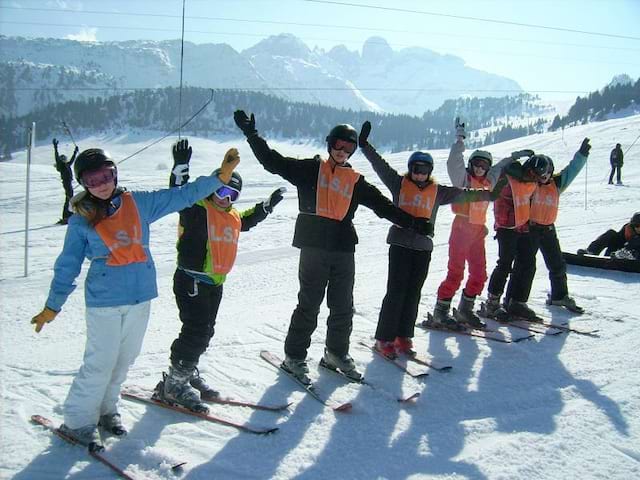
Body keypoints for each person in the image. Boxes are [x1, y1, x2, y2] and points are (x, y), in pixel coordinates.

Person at [30, 146, 239, 451]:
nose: (101, 183)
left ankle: (107, 410)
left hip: (140, 295)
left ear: (114, 173)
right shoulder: (81, 218)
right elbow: (68, 266)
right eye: (92, 179)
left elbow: (182, 195)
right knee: (99, 363)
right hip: (104, 300)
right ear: (83, 183)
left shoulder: (138, 203)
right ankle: (76, 421)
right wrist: (52, 306)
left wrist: (220, 177)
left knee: (124, 360)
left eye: (106, 175)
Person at [233, 110, 431, 384]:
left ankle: (336, 353)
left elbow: (383, 207)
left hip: (343, 248)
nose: (343, 151)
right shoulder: (310, 169)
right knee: (309, 304)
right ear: (330, 145)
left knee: (342, 306)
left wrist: (414, 223)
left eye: (349, 147)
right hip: (314, 247)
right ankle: (295, 357)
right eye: (339, 145)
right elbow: (272, 162)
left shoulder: (355, 181)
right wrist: (251, 134)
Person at [153, 139, 284, 413]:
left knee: (205, 331)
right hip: (192, 279)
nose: (224, 198)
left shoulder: (231, 216)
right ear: (212, 188)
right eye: (221, 191)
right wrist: (180, 168)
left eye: (231, 195)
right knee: (195, 331)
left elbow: (245, 220)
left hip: (214, 282)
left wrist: (266, 207)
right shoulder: (196, 208)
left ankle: (184, 374)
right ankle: (174, 384)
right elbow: (178, 193)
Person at [358, 121, 503, 354]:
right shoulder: (398, 183)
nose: (420, 174)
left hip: (423, 248)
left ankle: (403, 336)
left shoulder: (438, 191)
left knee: (414, 292)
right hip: (400, 244)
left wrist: (488, 194)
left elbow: (464, 194)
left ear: (430, 172)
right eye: (416, 169)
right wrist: (365, 146)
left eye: (424, 170)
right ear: (410, 168)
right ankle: (383, 338)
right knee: (396, 291)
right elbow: (380, 166)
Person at [431, 117, 511, 332]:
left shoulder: (488, 181)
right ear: (470, 165)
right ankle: (441, 311)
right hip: (461, 229)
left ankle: (466, 309)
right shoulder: (463, 181)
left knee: (479, 274)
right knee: (455, 273)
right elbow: (452, 163)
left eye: (484, 165)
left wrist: (513, 158)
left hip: (477, 233)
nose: (480, 168)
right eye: (476, 164)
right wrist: (459, 138)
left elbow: (500, 168)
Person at [482, 150, 549, 321]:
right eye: (532, 173)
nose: (534, 177)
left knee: (528, 264)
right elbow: (494, 175)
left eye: (537, 176)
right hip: (506, 227)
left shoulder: (531, 182)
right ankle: (492, 303)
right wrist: (513, 157)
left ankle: (517, 301)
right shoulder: (508, 177)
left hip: (523, 226)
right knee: (505, 264)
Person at [529, 138, 591, 313]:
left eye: (546, 172)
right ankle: (514, 300)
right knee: (524, 266)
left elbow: (572, 170)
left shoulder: (556, 183)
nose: (543, 176)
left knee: (557, 264)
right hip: (530, 229)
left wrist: (582, 155)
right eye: (539, 173)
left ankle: (559, 296)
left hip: (548, 229)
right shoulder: (529, 185)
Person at [53, 138, 79, 225]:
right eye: (63, 159)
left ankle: (68, 215)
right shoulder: (61, 166)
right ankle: (66, 216)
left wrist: (75, 152)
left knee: (69, 198)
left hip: (68, 183)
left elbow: (72, 160)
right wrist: (55, 147)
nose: (65, 160)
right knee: (69, 198)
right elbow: (56, 157)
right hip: (66, 183)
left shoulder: (67, 165)